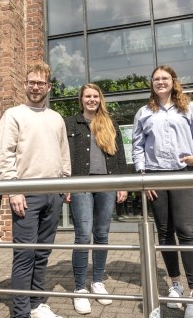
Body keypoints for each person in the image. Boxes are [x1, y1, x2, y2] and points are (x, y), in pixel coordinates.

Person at [0, 62, 71, 318]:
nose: (35, 87)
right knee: (25, 255)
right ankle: (20, 312)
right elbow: (4, 156)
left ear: (48, 87)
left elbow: (63, 154)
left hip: (54, 193)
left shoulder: (56, 118)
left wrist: (66, 183)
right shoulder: (13, 115)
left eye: (40, 83)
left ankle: (38, 304)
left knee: (42, 253)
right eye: (31, 82)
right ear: (25, 85)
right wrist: (13, 190)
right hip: (25, 194)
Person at [132, 64, 193, 318]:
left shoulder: (190, 108)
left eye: (165, 78)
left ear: (173, 81)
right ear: (151, 84)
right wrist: (143, 176)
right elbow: (138, 146)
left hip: (182, 174)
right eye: (156, 79)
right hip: (154, 176)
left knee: (186, 231)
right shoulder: (144, 112)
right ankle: (175, 285)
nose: (160, 82)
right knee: (164, 232)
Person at [64, 83, 128, 315]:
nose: (91, 100)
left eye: (95, 96)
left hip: (107, 184)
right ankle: (80, 288)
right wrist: (65, 184)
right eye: (87, 96)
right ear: (81, 99)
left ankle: (97, 282)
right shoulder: (70, 123)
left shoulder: (110, 123)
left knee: (102, 234)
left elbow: (119, 155)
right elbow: (65, 155)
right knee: (83, 235)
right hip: (80, 184)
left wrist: (123, 184)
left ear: (100, 99)